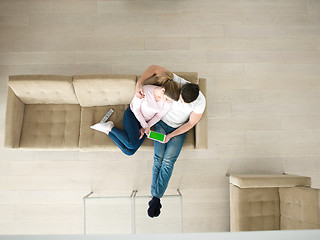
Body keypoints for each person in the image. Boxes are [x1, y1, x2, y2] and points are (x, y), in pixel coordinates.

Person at [135, 65, 206, 218]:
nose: (181, 103)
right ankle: (156, 198)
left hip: (178, 130)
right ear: (182, 88)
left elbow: (190, 123)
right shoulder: (176, 81)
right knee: (158, 159)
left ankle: (155, 197)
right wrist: (139, 83)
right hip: (160, 123)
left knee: (168, 161)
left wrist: (172, 135)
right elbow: (153, 68)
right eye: (180, 100)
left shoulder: (200, 102)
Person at [91, 79, 180, 156]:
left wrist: (145, 127)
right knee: (132, 145)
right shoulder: (145, 91)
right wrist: (144, 126)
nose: (168, 102)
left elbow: (159, 116)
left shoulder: (169, 102)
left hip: (145, 123)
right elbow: (136, 110)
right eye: (167, 99)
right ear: (163, 90)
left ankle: (108, 131)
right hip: (132, 116)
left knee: (129, 152)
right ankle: (110, 127)